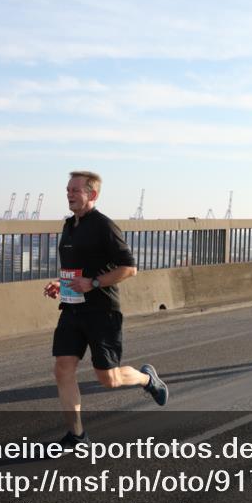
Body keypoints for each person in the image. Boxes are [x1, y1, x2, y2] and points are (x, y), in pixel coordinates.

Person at [43, 171, 168, 446]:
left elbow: (129, 268)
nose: (69, 194)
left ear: (92, 194)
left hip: (102, 312)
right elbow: (78, 269)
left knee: (108, 379)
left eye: (75, 190)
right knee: (63, 369)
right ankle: (77, 436)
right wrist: (61, 284)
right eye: (68, 190)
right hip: (72, 309)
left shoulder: (104, 226)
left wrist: (94, 283)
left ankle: (147, 379)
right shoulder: (69, 226)